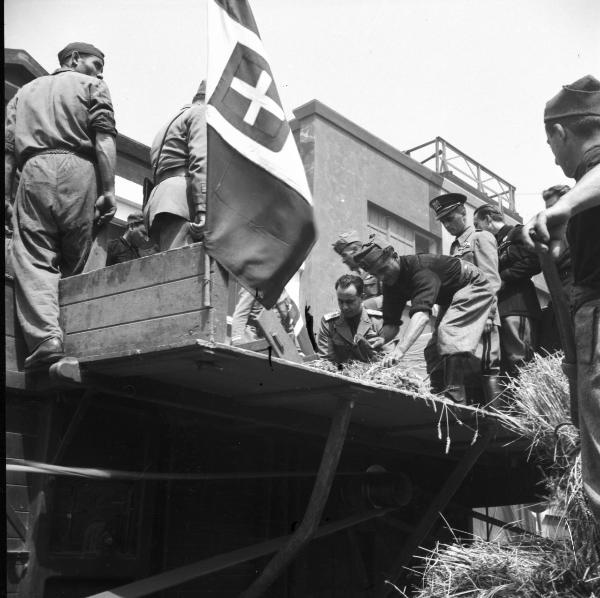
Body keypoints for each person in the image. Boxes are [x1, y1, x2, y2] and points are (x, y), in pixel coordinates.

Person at [5, 42, 117, 369]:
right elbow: (105, 138)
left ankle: (46, 339)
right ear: (73, 59)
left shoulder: (22, 94)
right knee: (86, 255)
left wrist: (7, 198)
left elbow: (8, 154)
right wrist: (108, 188)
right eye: (97, 63)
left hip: (33, 173)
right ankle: (85, 340)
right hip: (80, 169)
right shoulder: (94, 86)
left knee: (33, 256)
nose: (100, 71)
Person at [522, 74, 600, 520]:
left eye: (550, 144)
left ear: (559, 131)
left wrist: (564, 206)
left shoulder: (587, 181)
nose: (553, 159)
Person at [353, 239, 494, 403]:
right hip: (450, 298)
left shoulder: (421, 270)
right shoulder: (390, 284)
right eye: (377, 274)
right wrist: (381, 339)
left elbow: (421, 316)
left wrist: (400, 350)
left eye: (384, 269)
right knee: (433, 351)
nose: (383, 277)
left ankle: (455, 398)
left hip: (474, 284)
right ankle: (439, 396)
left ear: (395, 256)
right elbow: (391, 325)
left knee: (449, 333)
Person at [430, 193, 502, 401]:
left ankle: (496, 425)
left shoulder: (481, 237)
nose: (447, 225)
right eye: (443, 220)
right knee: (458, 370)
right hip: (459, 318)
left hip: (480, 314)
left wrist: (488, 314)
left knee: (488, 366)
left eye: (450, 218)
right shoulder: (454, 248)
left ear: (464, 212)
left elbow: (490, 279)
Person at [473, 204, 542, 377]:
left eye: (477, 224)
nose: (477, 230)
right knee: (504, 364)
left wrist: (504, 278)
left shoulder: (517, 233)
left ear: (488, 218)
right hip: (499, 308)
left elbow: (535, 261)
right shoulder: (490, 244)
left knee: (520, 358)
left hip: (517, 304)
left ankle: (527, 401)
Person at [144, 80, 207, 250]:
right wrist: (203, 206)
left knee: (169, 269)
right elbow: (200, 160)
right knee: (184, 269)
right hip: (181, 199)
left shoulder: (170, 122)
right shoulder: (201, 113)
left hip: (159, 200)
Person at [317, 273, 385, 363]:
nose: (344, 307)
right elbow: (326, 361)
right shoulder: (329, 324)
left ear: (362, 298)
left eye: (350, 302)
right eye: (340, 301)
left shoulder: (379, 322)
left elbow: (388, 358)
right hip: (338, 374)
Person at [332, 230, 382, 309]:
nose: (343, 260)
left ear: (355, 250)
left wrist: (363, 306)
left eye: (344, 255)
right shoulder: (359, 277)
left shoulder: (377, 267)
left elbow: (390, 296)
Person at [231, 287, 296, 345]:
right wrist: (238, 343)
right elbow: (240, 316)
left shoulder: (283, 293)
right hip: (253, 338)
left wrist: (296, 350)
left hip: (277, 342)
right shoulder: (253, 287)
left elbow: (288, 325)